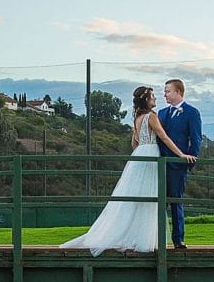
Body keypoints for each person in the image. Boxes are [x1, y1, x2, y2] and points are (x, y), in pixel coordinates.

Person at [60, 86, 196, 256]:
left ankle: (128, 234)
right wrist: (181, 154)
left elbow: (134, 143)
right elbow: (164, 137)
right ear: (146, 100)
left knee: (135, 196)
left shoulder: (137, 117)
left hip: (139, 154)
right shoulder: (151, 116)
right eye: (153, 96)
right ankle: (142, 239)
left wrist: (143, 148)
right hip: (151, 155)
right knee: (148, 196)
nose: (155, 99)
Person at [157, 79, 203, 249]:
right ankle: (156, 237)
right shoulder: (161, 113)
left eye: (167, 91)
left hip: (178, 165)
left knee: (176, 200)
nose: (165, 94)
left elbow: (196, 138)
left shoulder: (192, 112)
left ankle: (179, 239)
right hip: (159, 163)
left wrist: (189, 160)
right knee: (157, 201)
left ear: (178, 92)